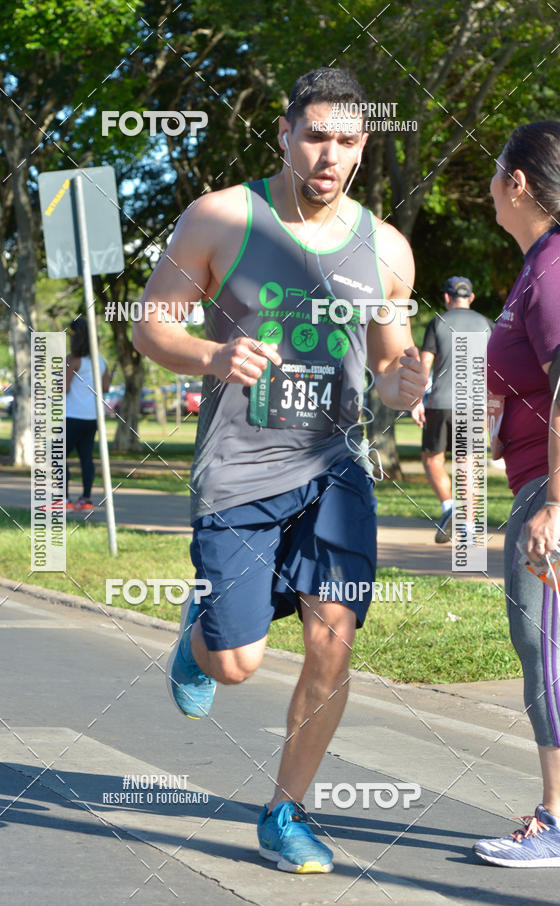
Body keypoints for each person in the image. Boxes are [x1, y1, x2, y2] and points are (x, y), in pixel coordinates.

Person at [134, 68, 427, 874]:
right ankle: (202, 640)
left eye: (347, 141)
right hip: (238, 470)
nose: (329, 155)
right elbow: (151, 327)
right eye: (315, 136)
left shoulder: (386, 248)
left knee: (333, 639)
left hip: (335, 467)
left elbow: (392, 364)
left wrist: (405, 384)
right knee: (238, 664)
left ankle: (286, 811)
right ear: (285, 134)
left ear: (364, 149)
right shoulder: (222, 217)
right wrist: (211, 352)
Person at [473, 121, 560, 867]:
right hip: (534, 479)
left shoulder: (554, 266)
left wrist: (555, 504)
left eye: (496, 173)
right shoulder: (539, 264)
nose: (489, 187)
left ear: (520, 184)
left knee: (545, 648)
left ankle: (556, 820)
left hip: (552, 489)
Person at [411, 277, 492, 543]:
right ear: (471, 297)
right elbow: (496, 368)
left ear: (447, 298)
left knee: (432, 459)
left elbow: (425, 364)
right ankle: (468, 528)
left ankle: (449, 507)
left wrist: (416, 400)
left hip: (441, 403)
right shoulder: (488, 325)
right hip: (474, 406)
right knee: (467, 464)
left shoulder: (437, 322)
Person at [65, 316, 110, 511]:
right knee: (86, 457)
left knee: (58, 456)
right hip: (92, 417)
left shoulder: (72, 360)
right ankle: (86, 499)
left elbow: (63, 388)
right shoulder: (100, 361)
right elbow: (106, 387)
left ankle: (64, 500)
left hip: (72, 416)